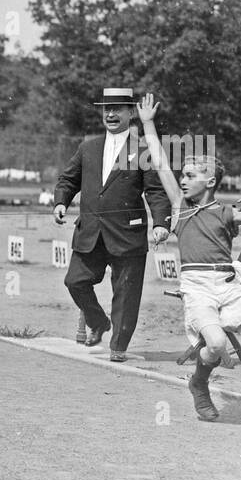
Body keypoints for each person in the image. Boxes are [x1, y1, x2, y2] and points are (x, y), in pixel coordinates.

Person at [135, 94, 241, 432]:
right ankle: (199, 383)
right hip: (197, 288)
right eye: (182, 175)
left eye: (190, 176)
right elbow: (158, 162)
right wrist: (147, 123)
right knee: (215, 344)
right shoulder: (179, 206)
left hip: (228, 285)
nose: (182, 180)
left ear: (210, 181)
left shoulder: (227, 211)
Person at [52, 86, 172, 362]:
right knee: (75, 281)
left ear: (131, 113)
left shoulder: (143, 149)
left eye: (118, 109)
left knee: (126, 293)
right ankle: (99, 321)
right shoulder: (88, 147)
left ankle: (118, 346)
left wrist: (161, 223)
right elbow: (68, 180)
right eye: (107, 109)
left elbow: (155, 190)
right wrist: (61, 202)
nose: (112, 114)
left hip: (127, 234)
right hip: (90, 233)